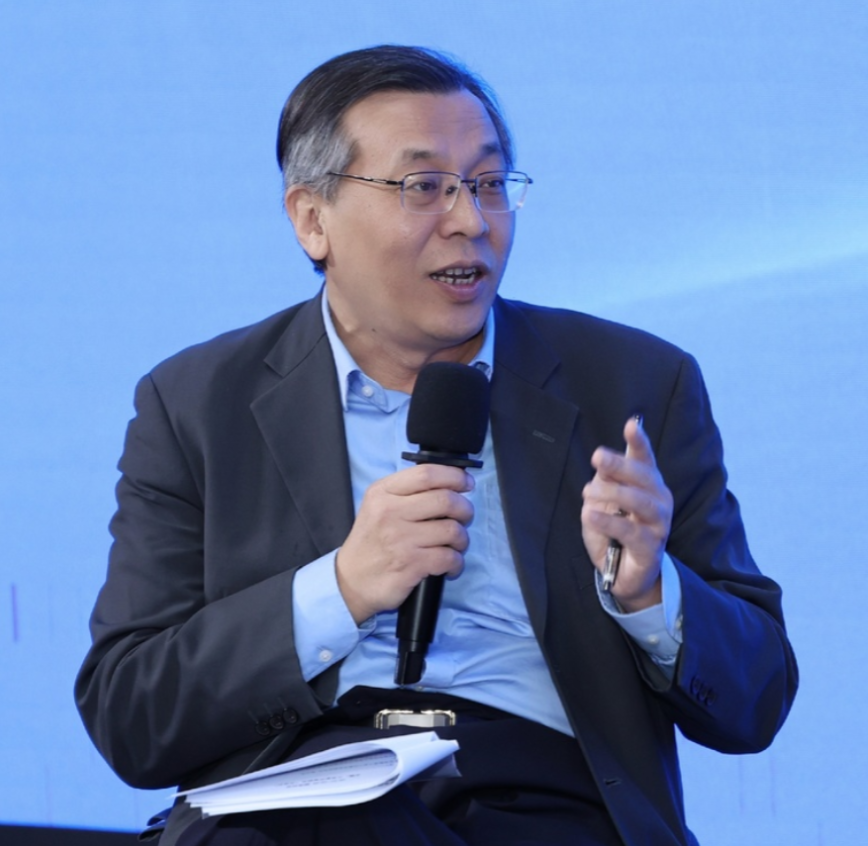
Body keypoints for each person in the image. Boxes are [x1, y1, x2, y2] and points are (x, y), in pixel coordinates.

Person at [75, 45, 798, 846]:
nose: (470, 221)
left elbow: (757, 701)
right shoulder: (197, 403)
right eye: (423, 187)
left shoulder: (632, 384)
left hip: (545, 802)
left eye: (489, 184)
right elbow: (130, 713)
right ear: (312, 219)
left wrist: (650, 593)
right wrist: (343, 588)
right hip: (296, 798)